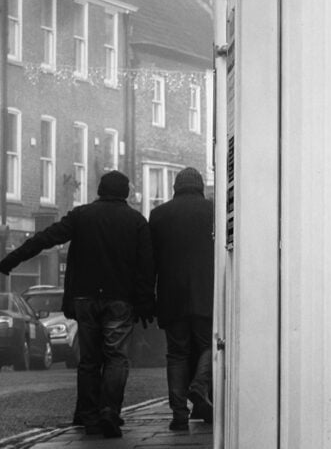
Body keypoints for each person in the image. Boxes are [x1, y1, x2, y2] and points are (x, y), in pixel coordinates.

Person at [0, 170, 155, 439]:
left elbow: (45, 238)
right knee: (117, 356)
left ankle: (87, 412)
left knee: (89, 358)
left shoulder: (82, 216)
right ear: (126, 193)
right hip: (120, 298)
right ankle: (109, 411)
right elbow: (146, 267)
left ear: (100, 190)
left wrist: (10, 261)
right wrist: (145, 303)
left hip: (85, 297)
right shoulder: (137, 221)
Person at [149, 167, 214, 431]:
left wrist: (147, 296)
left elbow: (149, 260)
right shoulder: (213, 211)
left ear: (176, 186)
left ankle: (178, 414)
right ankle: (199, 385)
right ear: (199, 186)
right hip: (206, 294)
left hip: (171, 296)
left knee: (176, 354)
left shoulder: (159, 214)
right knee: (210, 345)